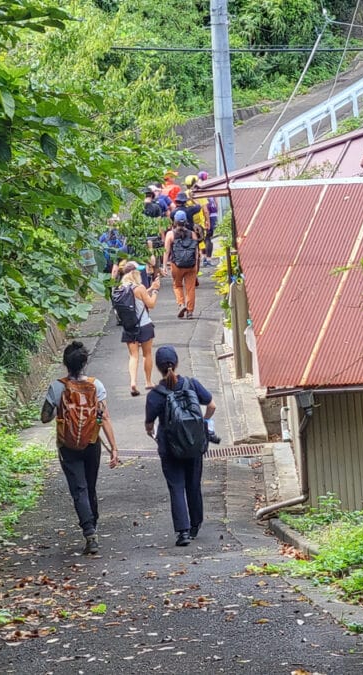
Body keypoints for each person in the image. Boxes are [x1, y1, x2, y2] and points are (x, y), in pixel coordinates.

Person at [41, 341, 120, 555]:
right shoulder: (96, 385)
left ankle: (89, 532)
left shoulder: (57, 387)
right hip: (92, 442)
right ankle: (93, 523)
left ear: (65, 363)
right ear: (84, 362)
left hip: (67, 446)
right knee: (90, 485)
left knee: (79, 489)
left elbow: (44, 418)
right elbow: (105, 418)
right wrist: (114, 448)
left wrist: (61, 410)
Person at [144, 346, 216, 546]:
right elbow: (212, 405)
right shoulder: (191, 384)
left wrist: (153, 432)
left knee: (176, 487)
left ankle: (182, 533)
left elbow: (149, 425)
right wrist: (202, 424)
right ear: (176, 363)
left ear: (158, 368)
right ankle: (195, 525)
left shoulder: (155, 395)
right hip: (193, 444)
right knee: (193, 484)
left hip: (170, 447)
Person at [117, 261, 162, 396]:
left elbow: (135, 299)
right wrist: (155, 291)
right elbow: (151, 304)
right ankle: (148, 382)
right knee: (147, 354)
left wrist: (149, 289)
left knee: (133, 356)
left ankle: (133, 382)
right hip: (144, 325)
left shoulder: (121, 288)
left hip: (129, 326)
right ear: (134, 273)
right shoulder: (140, 287)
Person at [164, 210, 200, 319]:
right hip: (191, 265)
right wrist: (196, 265)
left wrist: (164, 266)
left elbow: (166, 251)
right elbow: (196, 252)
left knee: (177, 285)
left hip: (177, 265)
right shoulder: (192, 234)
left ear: (174, 221)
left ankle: (181, 304)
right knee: (190, 288)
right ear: (186, 221)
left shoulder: (170, 234)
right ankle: (190, 312)